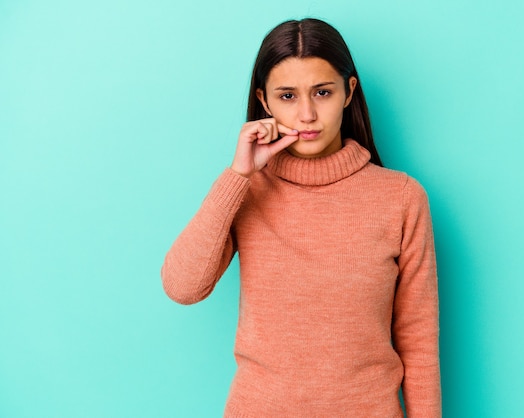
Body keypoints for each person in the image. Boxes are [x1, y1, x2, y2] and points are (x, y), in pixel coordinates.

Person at [161, 18, 441, 417]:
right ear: (265, 101)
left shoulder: (400, 197)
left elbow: (418, 338)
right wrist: (238, 176)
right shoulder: (247, 190)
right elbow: (182, 286)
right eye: (288, 96)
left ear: (349, 92)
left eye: (322, 92)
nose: (307, 114)